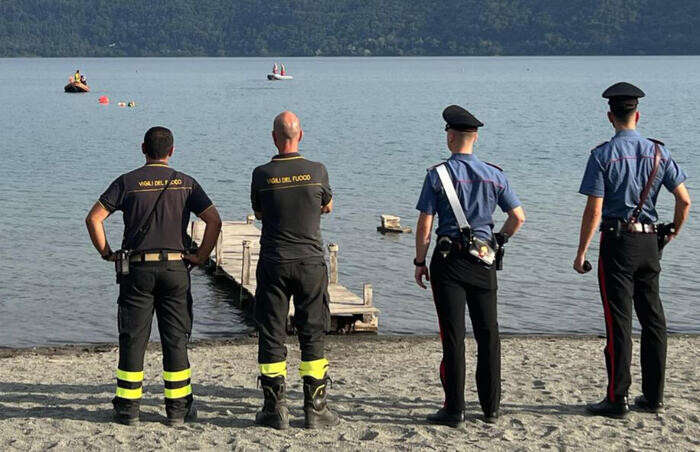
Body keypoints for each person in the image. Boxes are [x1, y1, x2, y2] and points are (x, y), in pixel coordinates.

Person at [85, 126, 222, 426]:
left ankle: (127, 409)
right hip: (175, 269)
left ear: (142, 149)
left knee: (133, 338)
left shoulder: (127, 182)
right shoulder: (186, 183)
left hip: (137, 270)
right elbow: (214, 220)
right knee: (175, 339)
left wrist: (107, 253)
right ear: (171, 151)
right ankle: (178, 410)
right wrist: (200, 256)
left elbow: (93, 218)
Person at [575, 82, 690, 418]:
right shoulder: (659, 153)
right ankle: (654, 397)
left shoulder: (601, 155)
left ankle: (617, 398)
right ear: (637, 115)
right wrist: (670, 234)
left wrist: (581, 252)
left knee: (619, 322)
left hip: (617, 243)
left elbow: (594, 211)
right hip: (650, 242)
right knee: (654, 320)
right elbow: (684, 200)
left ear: (610, 117)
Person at [414, 105, 525, 426]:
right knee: (489, 334)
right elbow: (518, 217)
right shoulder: (495, 174)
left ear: (450, 138)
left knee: (453, 336)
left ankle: (455, 409)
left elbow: (424, 225)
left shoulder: (437, 175)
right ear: (474, 139)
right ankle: (491, 407)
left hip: (448, 263)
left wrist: (420, 261)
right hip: (483, 260)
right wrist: (499, 240)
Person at [250, 111, 338, 430]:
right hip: (310, 262)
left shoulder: (262, 174)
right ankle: (315, 409)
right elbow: (327, 205)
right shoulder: (317, 171)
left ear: (274, 137)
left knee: (271, 333)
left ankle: (275, 410)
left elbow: (258, 212)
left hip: (274, 261)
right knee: (312, 332)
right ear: (301, 135)